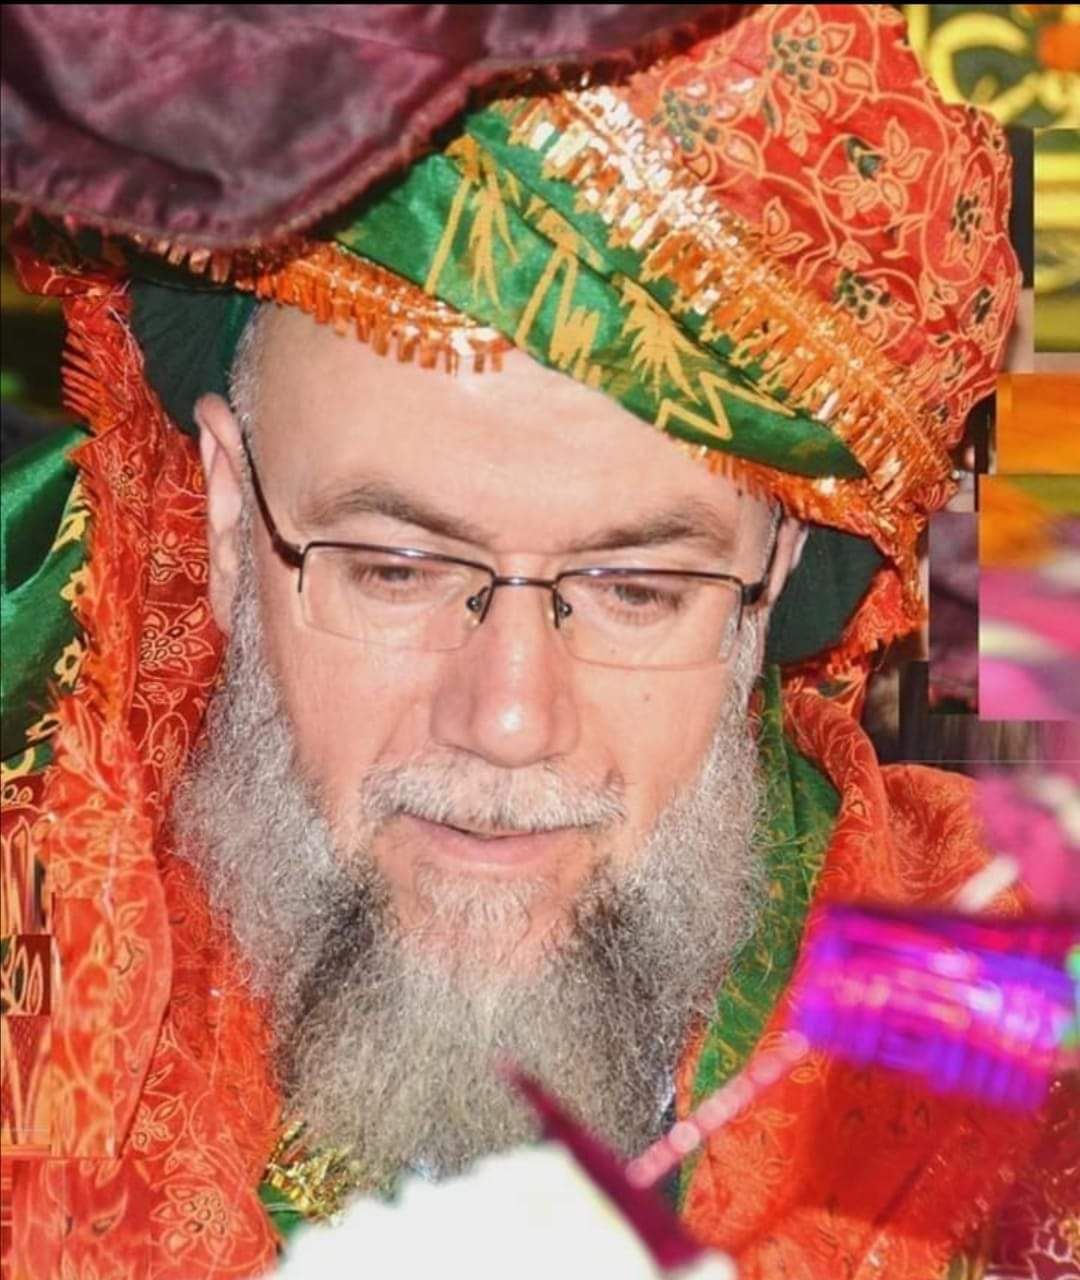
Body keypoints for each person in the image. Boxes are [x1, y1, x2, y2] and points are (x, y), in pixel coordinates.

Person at [1, 5, 1068, 1278]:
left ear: (773, 576)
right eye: (397, 569)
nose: (509, 718)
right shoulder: (38, 974)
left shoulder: (1023, 1061)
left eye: (637, 588)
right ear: (233, 522)